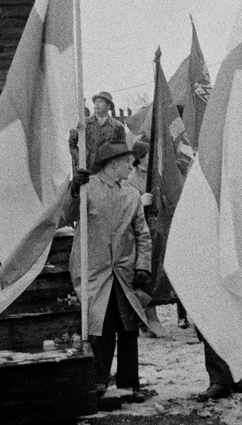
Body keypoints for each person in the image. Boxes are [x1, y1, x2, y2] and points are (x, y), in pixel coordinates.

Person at [66, 141, 152, 401]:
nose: (131, 166)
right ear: (113, 164)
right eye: (127, 162)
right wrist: (73, 190)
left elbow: (142, 234)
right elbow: (67, 215)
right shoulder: (87, 188)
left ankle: (128, 383)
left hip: (124, 272)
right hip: (95, 270)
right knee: (99, 327)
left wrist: (143, 266)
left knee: (128, 327)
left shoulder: (131, 194)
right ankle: (98, 382)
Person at [69, 91, 126, 170]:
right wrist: (79, 160)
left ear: (108, 106)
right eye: (96, 102)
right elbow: (72, 143)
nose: (97, 104)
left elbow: (122, 151)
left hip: (107, 170)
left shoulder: (118, 127)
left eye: (100, 102)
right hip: (88, 170)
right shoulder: (84, 124)